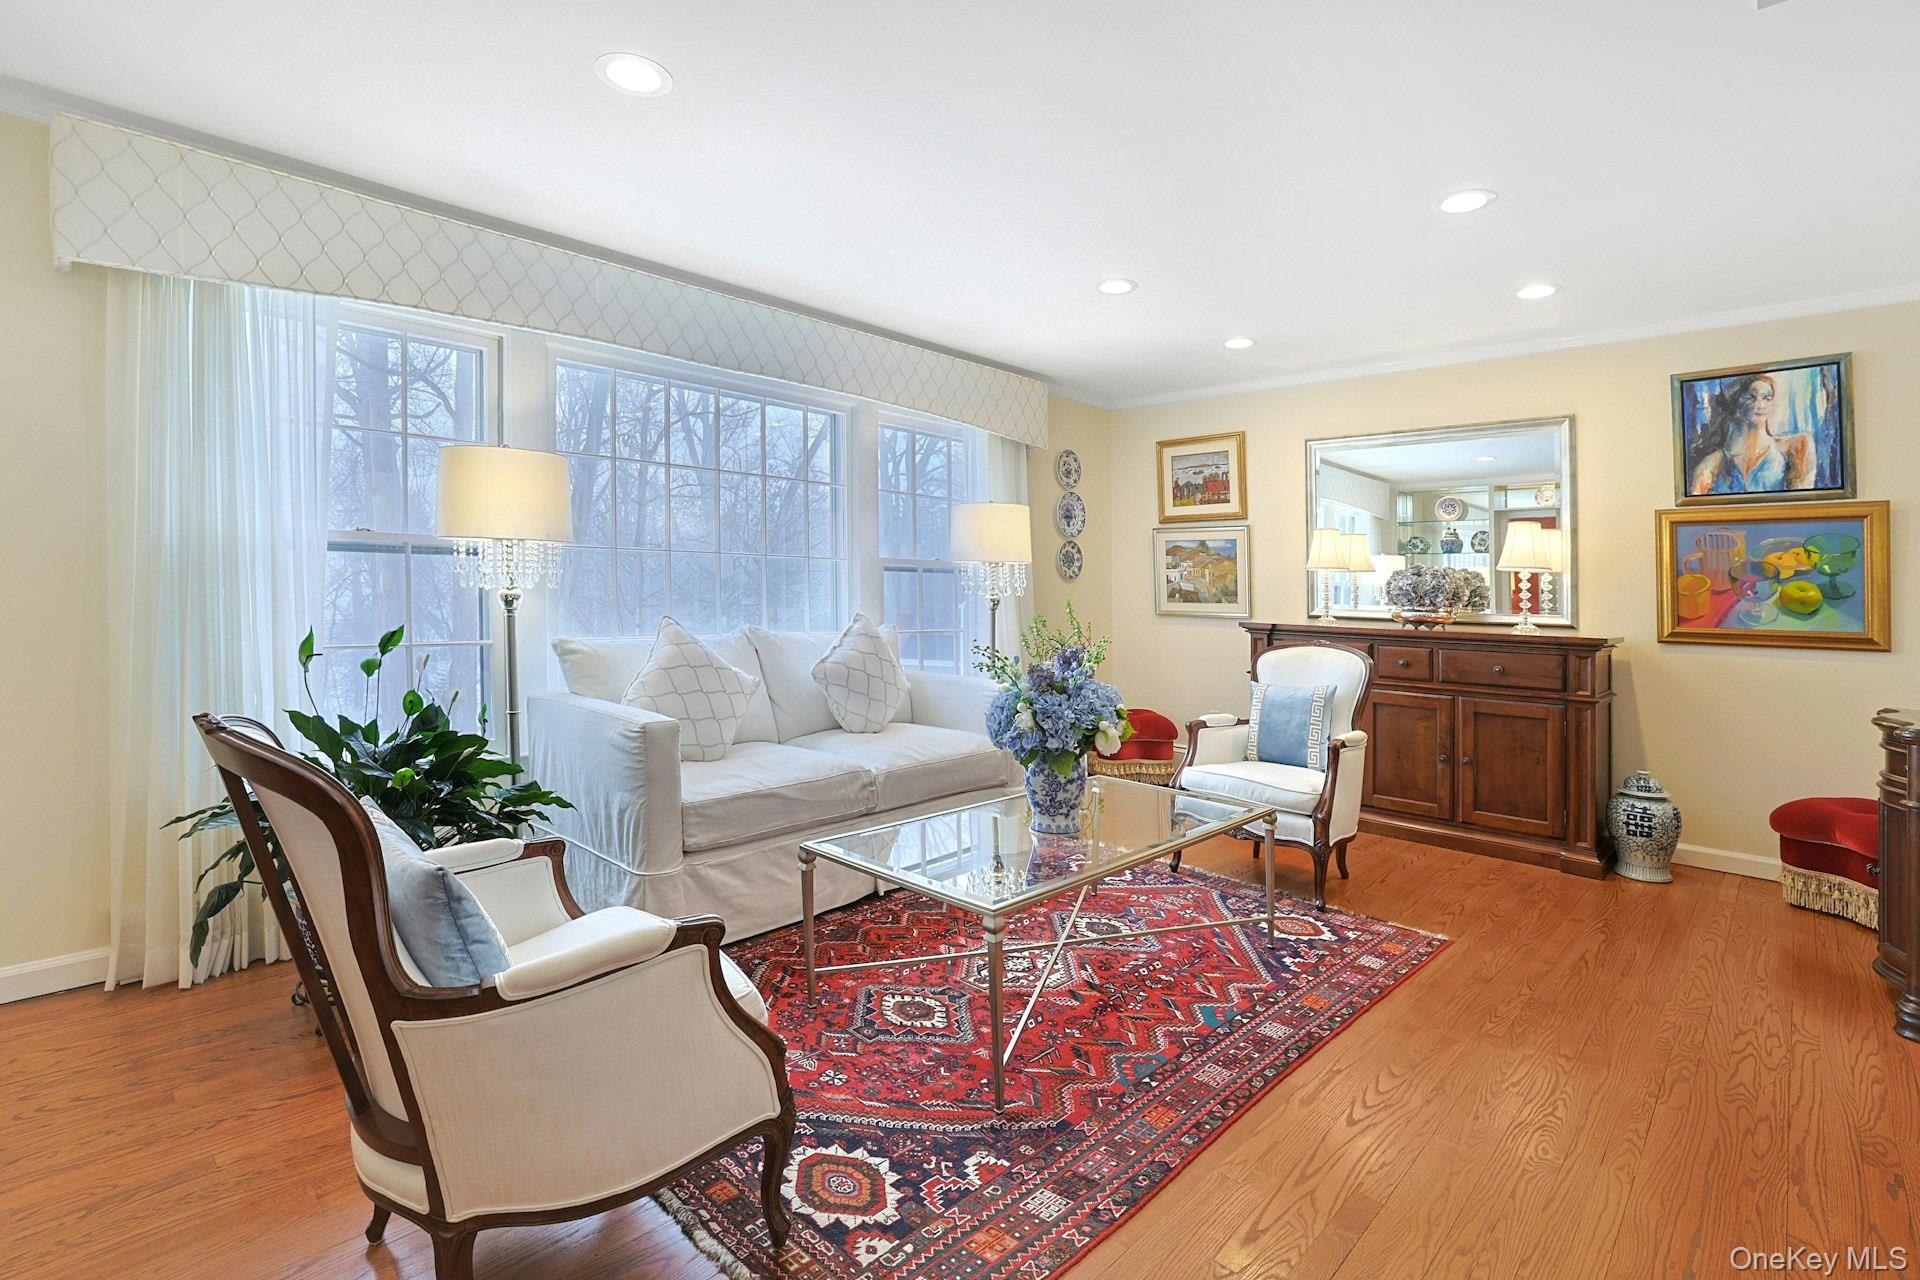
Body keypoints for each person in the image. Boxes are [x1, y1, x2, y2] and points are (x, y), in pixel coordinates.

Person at [1686, 373, 1815, 496]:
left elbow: (1801, 502)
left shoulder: (1793, 447)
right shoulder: (1715, 462)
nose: (1760, 404)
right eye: (1752, 397)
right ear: (1736, 406)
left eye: (1767, 398)